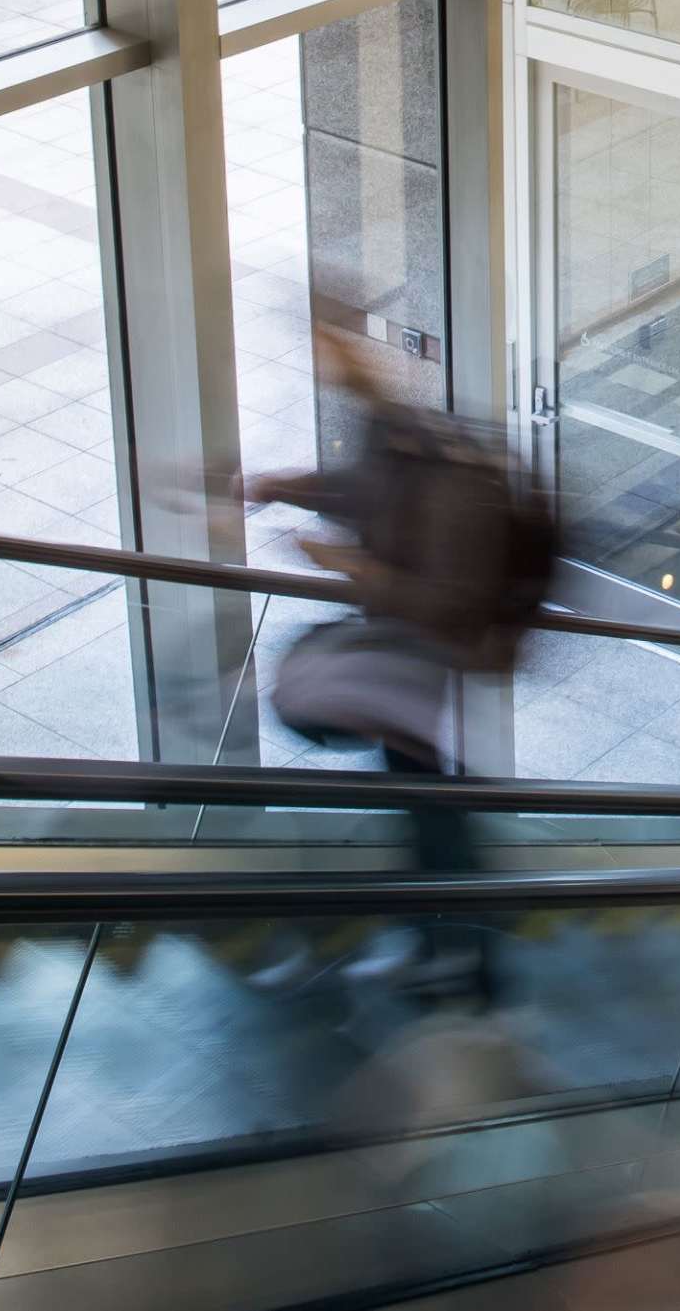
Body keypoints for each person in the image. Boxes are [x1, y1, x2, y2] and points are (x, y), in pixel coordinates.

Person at [253, 330, 557, 1001]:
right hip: (405, 655)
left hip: (429, 656)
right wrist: (284, 486)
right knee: (426, 794)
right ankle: (453, 938)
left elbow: (448, 601)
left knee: (428, 798)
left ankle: (465, 951)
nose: (328, 369)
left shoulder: (445, 473)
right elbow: (357, 492)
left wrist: (357, 567)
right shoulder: (391, 434)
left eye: (336, 357)